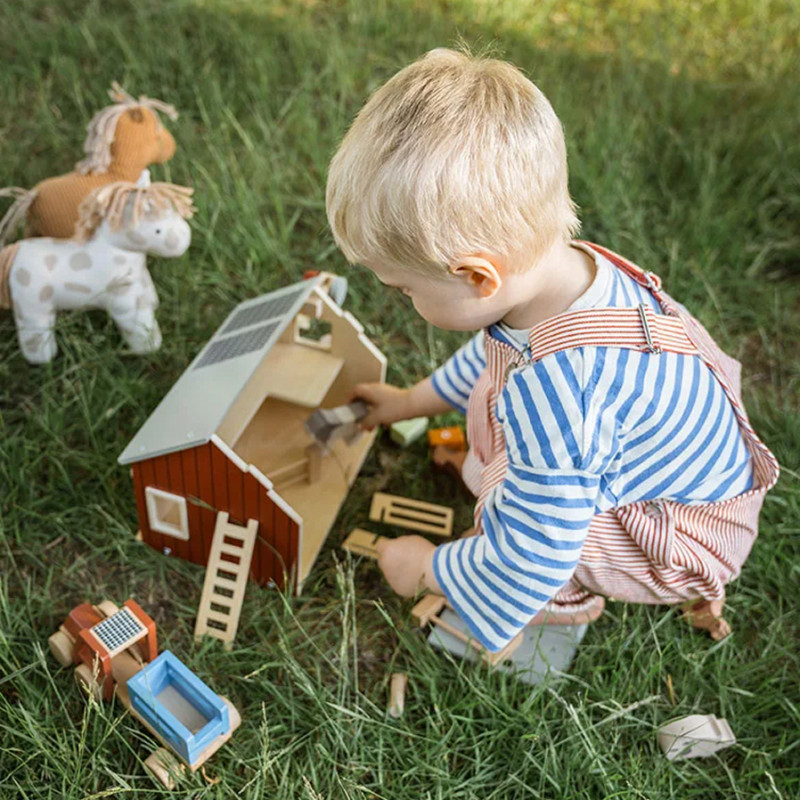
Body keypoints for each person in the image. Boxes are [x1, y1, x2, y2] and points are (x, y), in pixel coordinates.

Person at [325, 48, 779, 653]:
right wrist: (409, 401)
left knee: (519, 507)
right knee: (508, 449)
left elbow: (534, 548)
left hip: (679, 541)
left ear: (479, 278)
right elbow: (496, 359)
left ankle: (563, 604)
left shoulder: (559, 393)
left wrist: (428, 569)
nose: (404, 299)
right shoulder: (566, 276)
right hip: (689, 485)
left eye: (406, 288)